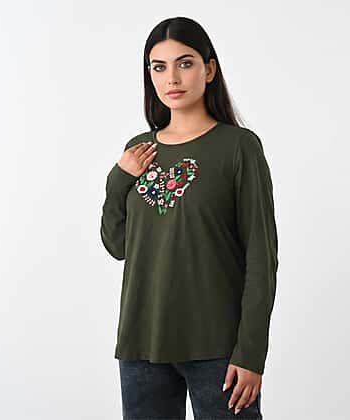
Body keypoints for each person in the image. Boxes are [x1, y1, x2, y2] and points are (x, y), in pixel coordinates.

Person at [100, 16, 279, 420]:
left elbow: (261, 257)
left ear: (209, 69)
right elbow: (118, 245)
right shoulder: (139, 150)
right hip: (143, 342)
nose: (172, 78)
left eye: (185, 63)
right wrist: (118, 178)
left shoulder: (239, 147)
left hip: (218, 347)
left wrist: (252, 353)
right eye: (159, 67)